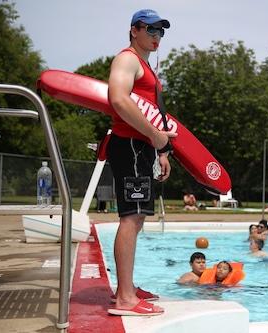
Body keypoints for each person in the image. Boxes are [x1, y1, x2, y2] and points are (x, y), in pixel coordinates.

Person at [106, 9, 177, 317]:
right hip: (130, 146)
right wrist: (155, 138)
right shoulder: (127, 60)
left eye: (160, 31)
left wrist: (161, 150)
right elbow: (118, 99)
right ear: (134, 30)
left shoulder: (146, 66)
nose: (156, 35)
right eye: (150, 30)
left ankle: (127, 288)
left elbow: (151, 110)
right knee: (131, 218)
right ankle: (124, 298)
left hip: (142, 148)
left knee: (138, 217)